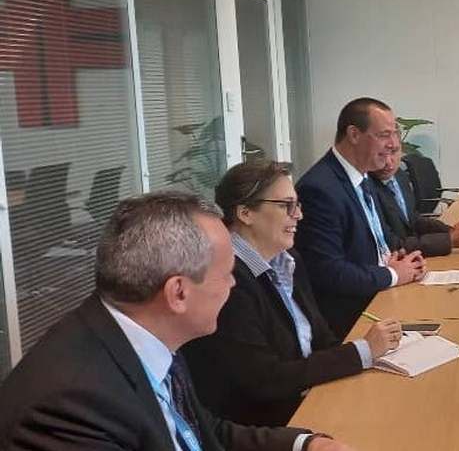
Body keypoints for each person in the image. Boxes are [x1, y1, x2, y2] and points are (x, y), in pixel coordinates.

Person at [0, 192, 352, 451]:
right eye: (226, 274)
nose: (233, 284)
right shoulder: (71, 405)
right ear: (178, 293)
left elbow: (201, 432)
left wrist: (305, 444)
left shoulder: (146, 334)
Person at [183, 160, 403, 427]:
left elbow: (321, 337)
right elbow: (265, 380)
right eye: (286, 205)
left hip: (311, 399)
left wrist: (373, 358)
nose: (298, 215)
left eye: (297, 205)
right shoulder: (227, 281)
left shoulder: (288, 259)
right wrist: (361, 352)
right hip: (269, 425)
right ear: (245, 213)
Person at [295, 97, 426, 337]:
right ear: (354, 134)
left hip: (382, 296)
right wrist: (394, 274)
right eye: (384, 135)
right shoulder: (319, 189)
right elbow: (328, 271)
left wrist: (406, 261)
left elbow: (382, 238)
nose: (393, 144)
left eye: (395, 134)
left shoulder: (363, 176)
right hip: (353, 318)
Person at [370, 147, 459, 257]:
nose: (389, 162)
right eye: (380, 154)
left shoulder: (399, 176)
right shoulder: (367, 189)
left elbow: (413, 219)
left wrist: (450, 231)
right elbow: (392, 246)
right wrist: (449, 240)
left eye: (394, 152)